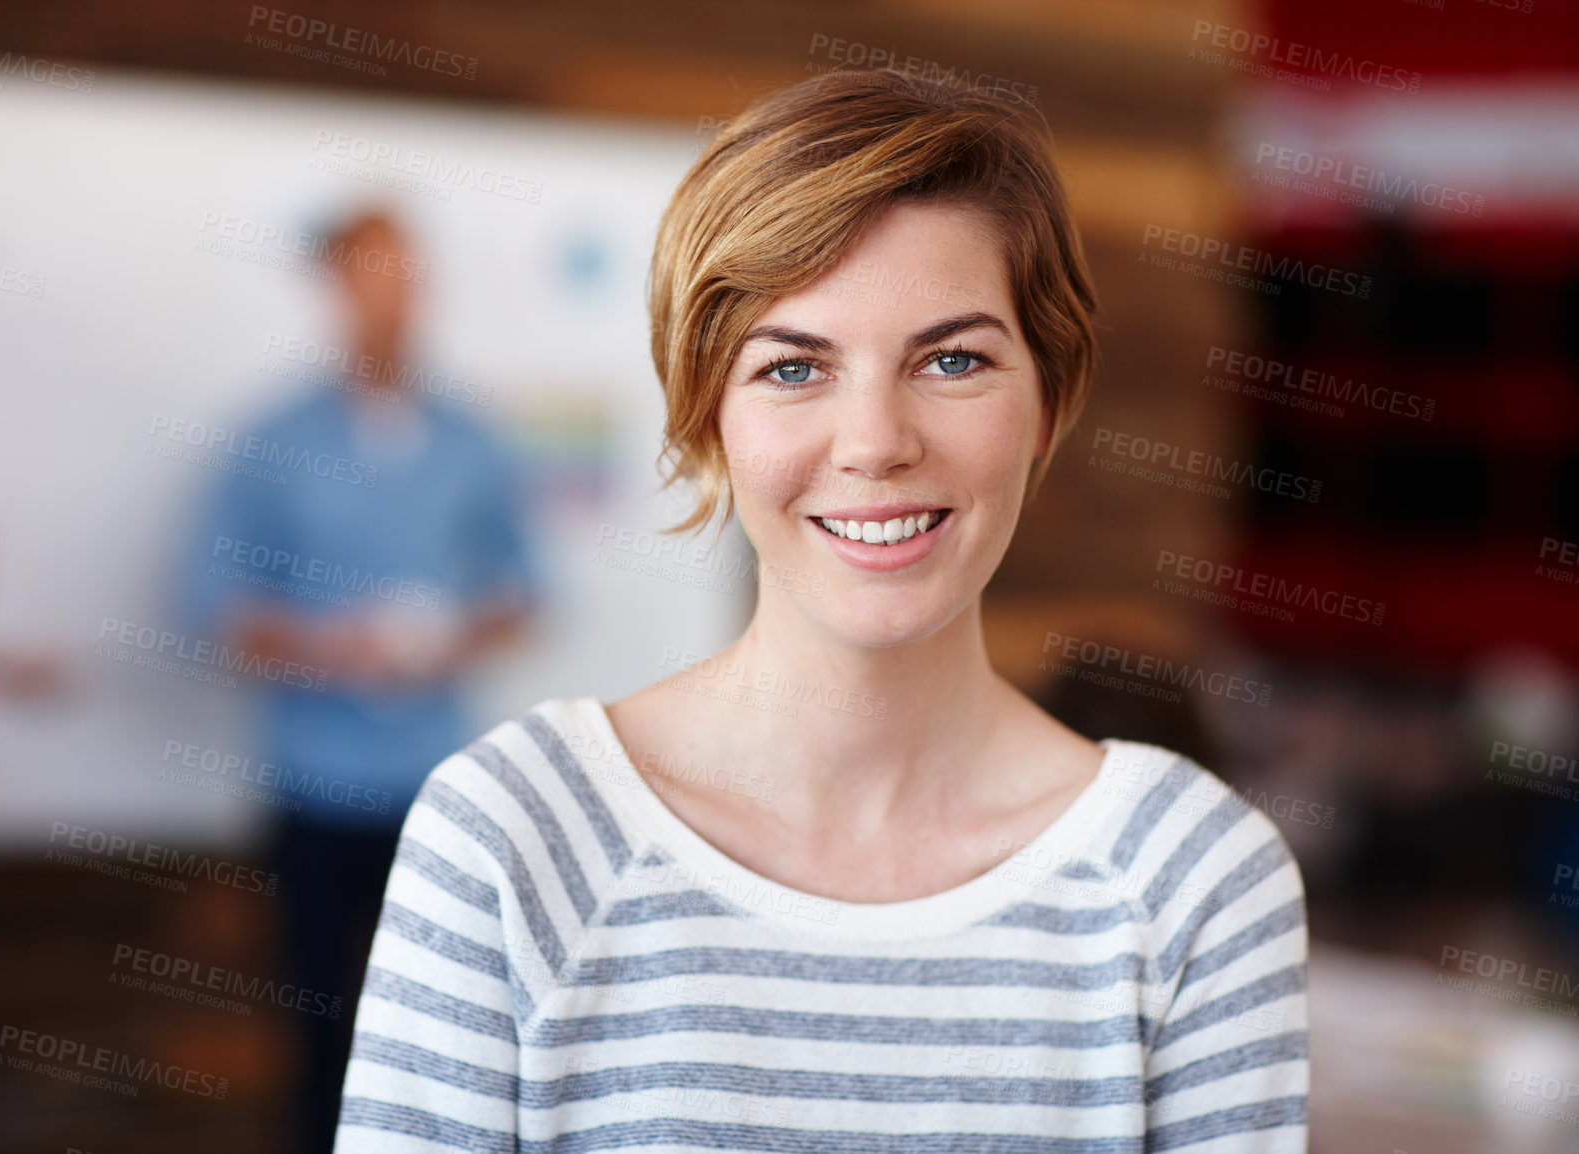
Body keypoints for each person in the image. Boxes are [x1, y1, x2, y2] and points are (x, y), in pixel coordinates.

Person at [336, 70, 1308, 1151]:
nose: (874, 441)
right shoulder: (508, 836)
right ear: (708, 420)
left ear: (1046, 401)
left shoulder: (1193, 880)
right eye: (794, 366)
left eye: (952, 359)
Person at [183, 208, 535, 1154]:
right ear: (335, 284)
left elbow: (523, 590)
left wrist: (449, 638)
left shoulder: (470, 436)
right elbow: (219, 610)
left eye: (406, 272)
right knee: (322, 1038)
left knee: (444, 1041)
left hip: (438, 795)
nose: (392, 293)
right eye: (370, 272)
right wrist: (329, 646)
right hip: (313, 788)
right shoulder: (271, 437)